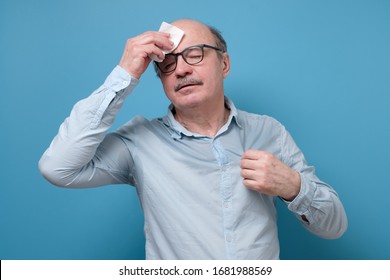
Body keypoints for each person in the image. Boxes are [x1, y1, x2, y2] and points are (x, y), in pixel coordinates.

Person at [39, 18, 348, 260]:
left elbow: (334, 226)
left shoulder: (269, 132)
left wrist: (293, 187)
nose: (181, 69)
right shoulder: (139, 141)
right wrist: (124, 73)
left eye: (194, 54)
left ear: (224, 64)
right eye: (168, 63)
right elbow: (58, 168)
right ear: (160, 77)